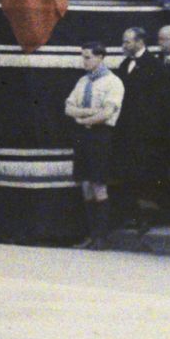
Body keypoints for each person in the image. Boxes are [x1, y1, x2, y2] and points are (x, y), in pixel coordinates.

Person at [64, 43, 127, 249]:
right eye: (83, 57)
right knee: (85, 185)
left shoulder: (113, 82)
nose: (84, 61)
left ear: (100, 57)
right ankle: (90, 234)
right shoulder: (83, 81)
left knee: (99, 184)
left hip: (101, 136)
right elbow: (69, 108)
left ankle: (102, 236)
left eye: (88, 57)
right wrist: (88, 114)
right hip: (83, 136)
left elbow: (107, 112)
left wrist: (84, 116)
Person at [111, 26, 168, 241]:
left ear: (140, 41)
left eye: (128, 41)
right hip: (127, 130)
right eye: (124, 42)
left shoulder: (154, 65)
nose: (124, 45)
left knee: (145, 174)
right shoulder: (125, 64)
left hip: (147, 133)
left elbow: (159, 101)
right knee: (129, 173)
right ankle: (132, 214)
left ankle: (147, 216)